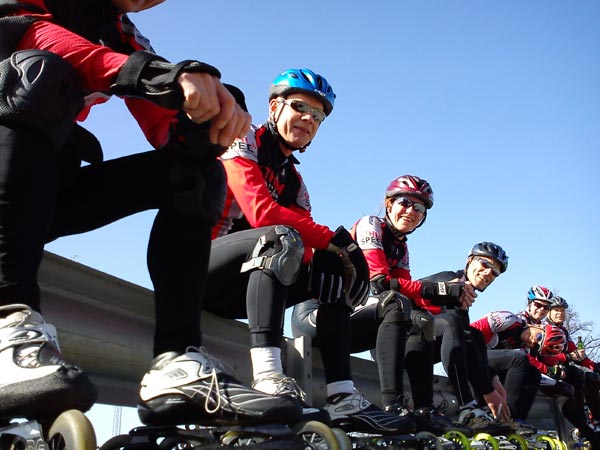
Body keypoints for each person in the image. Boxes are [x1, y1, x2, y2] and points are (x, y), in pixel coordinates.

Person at [0, 0, 303, 427]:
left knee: (196, 171)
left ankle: (174, 364)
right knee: (34, 75)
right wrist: (156, 75)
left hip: (32, 194)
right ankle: (7, 322)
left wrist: (208, 117)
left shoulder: (121, 32)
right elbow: (37, 36)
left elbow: (164, 121)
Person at [203, 69, 413, 434]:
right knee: (282, 237)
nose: (308, 119)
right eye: (300, 107)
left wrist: (340, 259)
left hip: (247, 289)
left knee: (332, 273)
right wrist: (339, 240)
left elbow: (311, 246)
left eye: (317, 116)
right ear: (274, 106)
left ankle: (342, 395)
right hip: (202, 269)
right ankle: (269, 376)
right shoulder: (244, 139)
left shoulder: (295, 182)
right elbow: (260, 212)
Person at [293, 175, 473, 435]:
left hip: (350, 321)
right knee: (395, 303)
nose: (411, 211)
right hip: (317, 316)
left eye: (419, 208)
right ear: (388, 204)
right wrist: (442, 289)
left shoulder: (401, 248)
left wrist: (449, 298)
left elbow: (409, 295)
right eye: (405, 203)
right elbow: (380, 282)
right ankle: (393, 406)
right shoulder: (371, 224)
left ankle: (423, 409)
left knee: (420, 319)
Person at [417, 242, 514, 434]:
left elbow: (469, 340)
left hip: (425, 346)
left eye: (494, 273)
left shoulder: (465, 299)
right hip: (401, 344)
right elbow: (408, 291)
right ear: (469, 261)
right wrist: (488, 388)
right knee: (459, 327)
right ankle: (467, 408)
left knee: (473, 334)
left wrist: (491, 378)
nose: (488, 274)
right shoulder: (448, 279)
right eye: (485, 265)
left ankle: (485, 410)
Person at [470, 311, 568, 431]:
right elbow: (468, 335)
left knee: (533, 373)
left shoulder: (526, 349)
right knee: (519, 357)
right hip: (470, 357)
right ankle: (503, 415)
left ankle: (515, 419)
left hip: (490, 368)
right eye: (538, 337)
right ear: (539, 326)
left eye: (537, 346)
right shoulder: (508, 320)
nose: (533, 342)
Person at [545, 296, 600, 447]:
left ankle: (595, 420)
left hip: (565, 367)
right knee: (576, 374)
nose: (560, 313)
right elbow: (544, 355)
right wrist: (568, 356)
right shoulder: (543, 327)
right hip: (548, 368)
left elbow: (576, 352)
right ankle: (581, 423)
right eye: (556, 310)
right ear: (548, 312)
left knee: (593, 377)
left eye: (562, 310)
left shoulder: (563, 330)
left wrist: (594, 365)